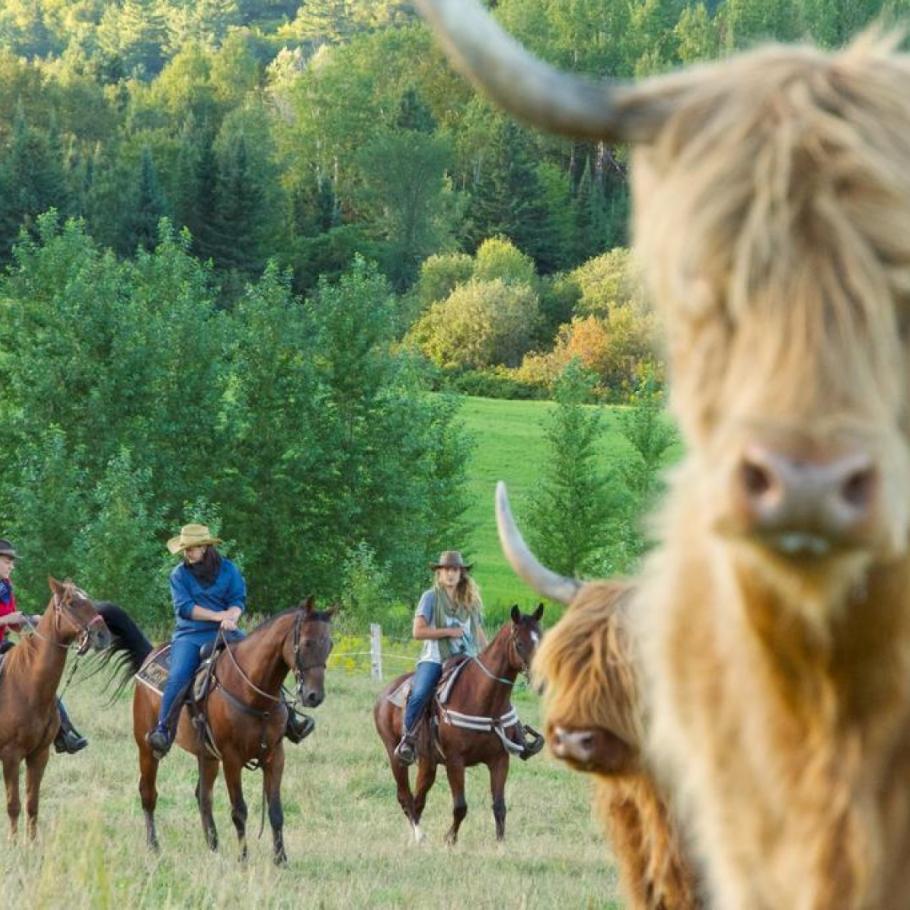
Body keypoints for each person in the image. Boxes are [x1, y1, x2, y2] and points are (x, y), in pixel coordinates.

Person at [147, 523, 312, 759]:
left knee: (262, 664)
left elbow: (237, 599)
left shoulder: (229, 570)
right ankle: (163, 729)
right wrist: (218, 616)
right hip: (190, 635)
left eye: (191, 548)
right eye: (185, 549)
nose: (187, 553)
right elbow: (184, 608)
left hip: (228, 631)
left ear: (205, 547)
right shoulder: (179, 575)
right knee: (179, 674)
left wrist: (232, 615)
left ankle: (291, 721)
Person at [395, 550, 487, 765]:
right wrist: (447, 631)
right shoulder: (430, 597)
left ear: (461, 573)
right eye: (446, 569)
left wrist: (488, 657)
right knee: (419, 694)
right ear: (439, 573)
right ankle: (408, 741)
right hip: (435, 659)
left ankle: (511, 734)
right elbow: (418, 632)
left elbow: (479, 633)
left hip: (466, 659)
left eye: (455, 570)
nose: (451, 574)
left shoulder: (470, 601)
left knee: (491, 688)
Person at [0, 538, 88, 754]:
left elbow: (14, 625)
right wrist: (6, 619)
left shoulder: (6, 587)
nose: (11, 565)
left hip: (3, 644)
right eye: (7, 561)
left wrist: (31, 619)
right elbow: (5, 618)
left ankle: (64, 732)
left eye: (12, 562)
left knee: (38, 681)